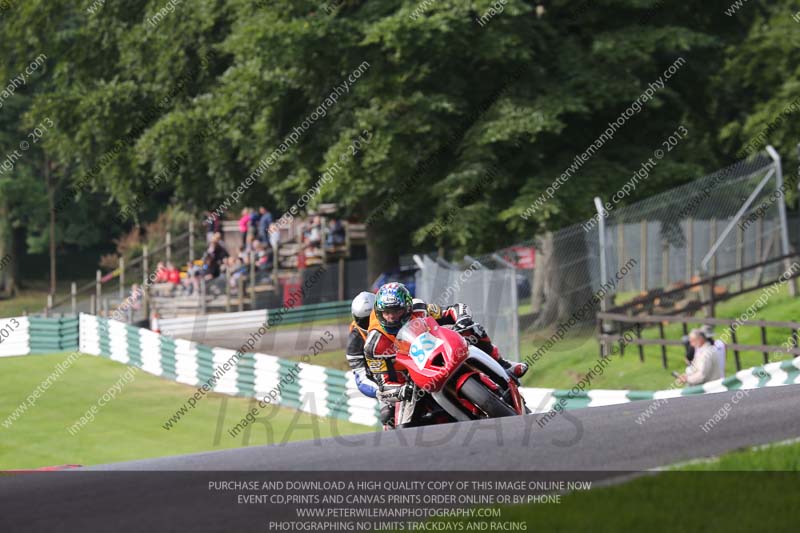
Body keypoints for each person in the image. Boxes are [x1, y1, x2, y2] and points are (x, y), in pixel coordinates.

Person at [363, 282, 527, 427]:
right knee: (399, 425)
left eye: (396, 311)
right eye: (386, 312)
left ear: (407, 307)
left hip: (436, 349)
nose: (391, 317)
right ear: (378, 312)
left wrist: (463, 319)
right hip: (407, 379)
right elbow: (383, 385)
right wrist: (399, 391)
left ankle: (504, 364)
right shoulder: (374, 344)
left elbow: (454, 309)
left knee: (472, 329)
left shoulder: (419, 308)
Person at [345, 291, 380, 399]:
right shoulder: (354, 342)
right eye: (365, 321)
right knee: (387, 415)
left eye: (374, 318)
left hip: (413, 372)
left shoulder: (394, 318)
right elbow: (361, 378)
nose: (371, 325)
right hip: (387, 383)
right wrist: (381, 392)